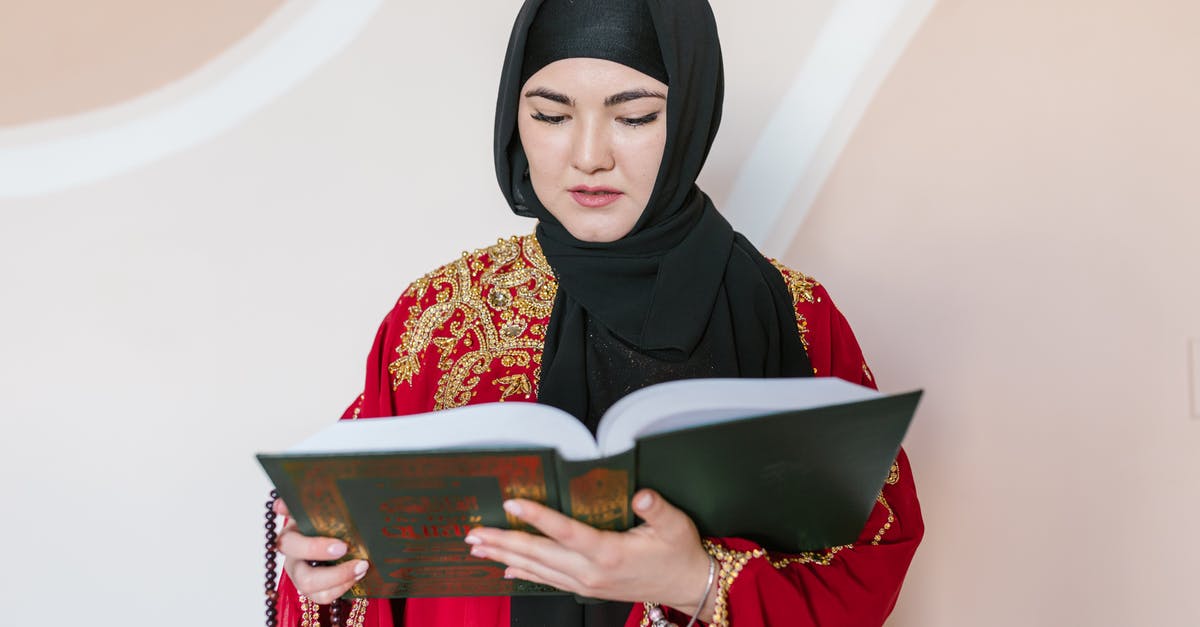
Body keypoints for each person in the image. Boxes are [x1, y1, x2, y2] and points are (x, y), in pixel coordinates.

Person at [271, 0, 923, 625]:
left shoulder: (798, 321)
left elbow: (870, 561)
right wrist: (317, 563)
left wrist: (692, 579)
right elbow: (349, 559)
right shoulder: (438, 322)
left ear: (691, 110)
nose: (588, 156)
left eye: (634, 116)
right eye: (551, 115)